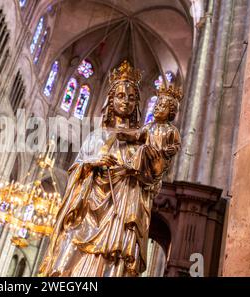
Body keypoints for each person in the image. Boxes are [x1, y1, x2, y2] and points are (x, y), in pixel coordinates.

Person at [38, 61, 170, 277]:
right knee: (68, 258)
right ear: (111, 100)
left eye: (131, 98)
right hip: (89, 210)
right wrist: (93, 163)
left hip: (121, 213)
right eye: (120, 96)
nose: (125, 102)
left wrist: (154, 166)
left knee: (114, 260)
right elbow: (76, 173)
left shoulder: (141, 142)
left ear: (137, 103)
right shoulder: (97, 136)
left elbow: (152, 184)